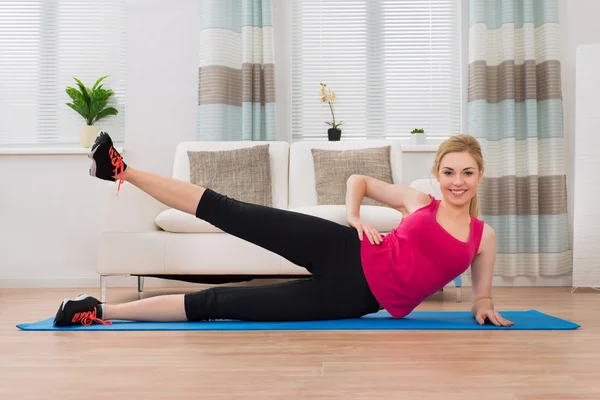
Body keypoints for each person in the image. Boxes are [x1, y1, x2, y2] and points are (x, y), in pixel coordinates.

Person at [53, 132, 514, 328]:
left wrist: (485, 306)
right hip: (342, 249)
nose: (457, 182)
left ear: (480, 176)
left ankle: (94, 311)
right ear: (437, 173)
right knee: (228, 210)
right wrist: (354, 216)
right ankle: (118, 169)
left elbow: (481, 297)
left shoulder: (482, 238)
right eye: (450, 172)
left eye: (467, 173)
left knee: (220, 304)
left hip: (354, 299)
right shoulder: (419, 201)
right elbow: (360, 181)